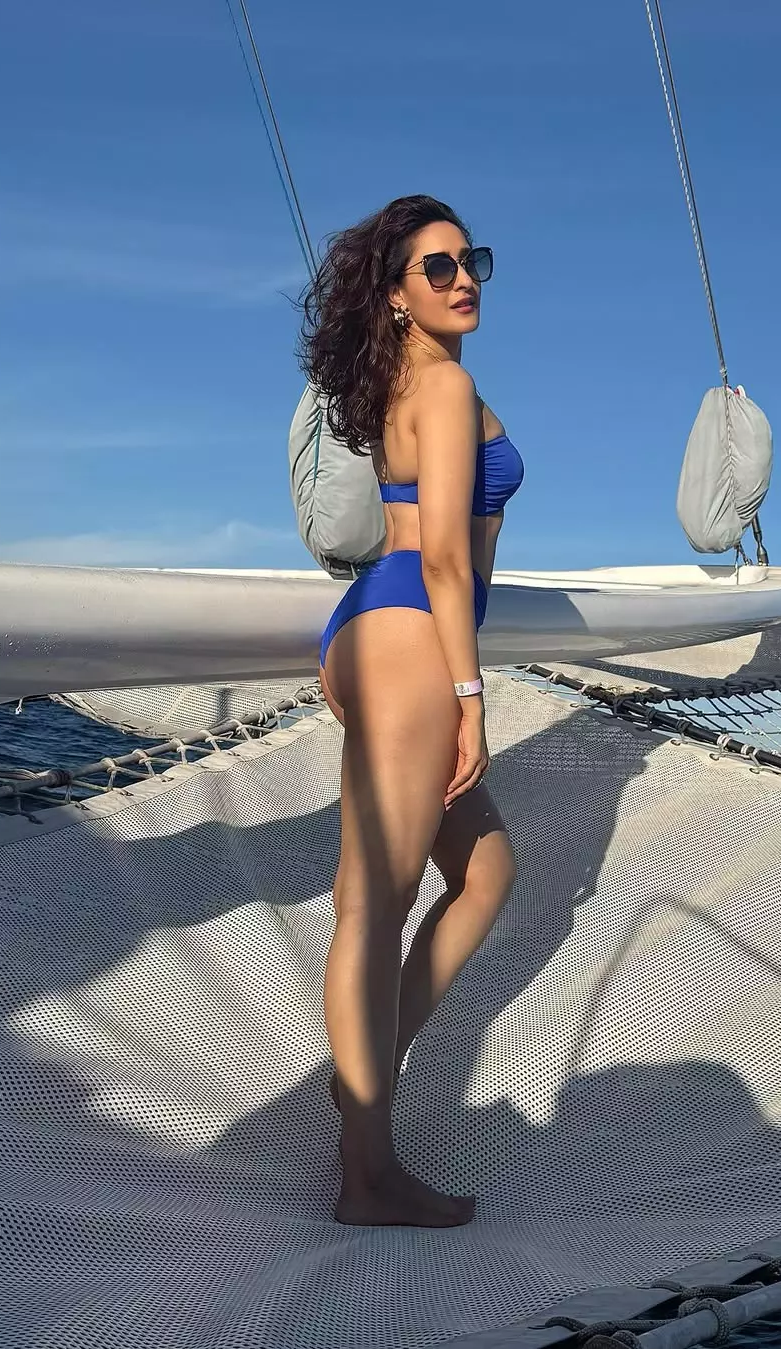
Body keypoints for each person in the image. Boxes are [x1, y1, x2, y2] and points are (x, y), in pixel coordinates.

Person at [301, 195, 522, 1227]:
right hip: (412, 633)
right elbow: (441, 557)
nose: (463, 278)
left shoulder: (406, 381)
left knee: (486, 871)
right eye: (437, 267)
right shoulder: (444, 383)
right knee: (377, 905)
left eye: (471, 260)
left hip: (375, 629)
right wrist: (471, 696)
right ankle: (368, 1171)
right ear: (396, 295)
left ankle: (362, 1071)